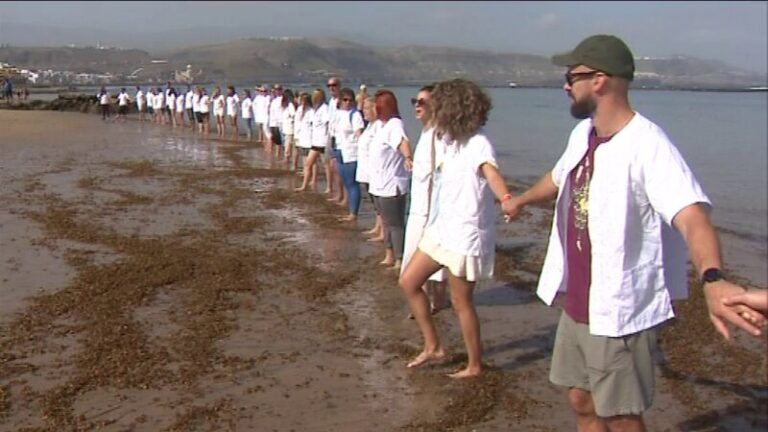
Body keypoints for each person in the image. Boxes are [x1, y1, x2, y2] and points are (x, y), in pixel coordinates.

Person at [505, 35, 766, 431]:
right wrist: (522, 200)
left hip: (619, 307)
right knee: (581, 398)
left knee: (622, 415)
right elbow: (557, 178)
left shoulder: (649, 145)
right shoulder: (583, 134)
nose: (564, 85)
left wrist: (712, 278)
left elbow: (692, 217)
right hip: (578, 300)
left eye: (571, 75)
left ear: (600, 80)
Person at [398, 79, 515, 379]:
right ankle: (434, 345)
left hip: (466, 233)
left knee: (462, 302)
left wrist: (506, 199)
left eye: (440, 106)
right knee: (409, 281)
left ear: (456, 109)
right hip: (442, 228)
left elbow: (492, 174)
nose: (433, 110)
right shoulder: (447, 139)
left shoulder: (479, 143)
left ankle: (474, 365)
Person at [402, 84, 448, 317]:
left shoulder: (439, 135)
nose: (417, 106)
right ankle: (424, 301)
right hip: (418, 207)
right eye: (415, 102)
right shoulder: (425, 133)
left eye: (423, 102)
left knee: (432, 259)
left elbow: (442, 176)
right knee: (414, 256)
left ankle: (435, 302)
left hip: (431, 210)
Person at [368, 89, 413, 270]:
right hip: (378, 184)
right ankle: (389, 254)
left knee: (395, 224)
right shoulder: (381, 125)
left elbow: (403, 142)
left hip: (391, 184)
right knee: (386, 223)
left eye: (376, 106)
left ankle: (400, 259)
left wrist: (408, 158)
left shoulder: (395, 124)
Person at [334, 87, 366, 222]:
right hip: (340, 150)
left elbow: (360, 135)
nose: (347, 102)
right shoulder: (338, 114)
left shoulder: (355, 115)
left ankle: (354, 213)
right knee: (346, 182)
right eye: (345, 100)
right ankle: (349, 208)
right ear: (340, 101)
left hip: (352, 152)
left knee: (352, 184)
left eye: (350, 100)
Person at [355, 97, 385, 241]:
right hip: (366, 171)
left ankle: (383, 232)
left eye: (367, 109)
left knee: (380, 204)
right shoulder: (370, 125)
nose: (364, 111)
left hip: (374, 172)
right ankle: (377, 226)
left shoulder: (379, 126)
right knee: (375, 203)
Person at [295, 89, 329, 192]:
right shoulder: (316, 109)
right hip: (315, 141)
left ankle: (329, 187)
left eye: (316, 95)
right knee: (308, 163)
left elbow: (327, 124)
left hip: (322, 141)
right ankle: (304, 185)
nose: (314, 97)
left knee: (326, 165)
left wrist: (327, 139)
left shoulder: (324, 108)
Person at [325, 76, 345, 204]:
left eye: (334, 85)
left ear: (339, 86)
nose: (332, 88)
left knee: (341, 169)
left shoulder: (344, 100)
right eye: (329, 86)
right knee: (333, 167)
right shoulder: (331, 102)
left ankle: (344, 197)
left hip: (341, 138)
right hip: (331, 136)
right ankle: (339, 194)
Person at [281, 89, 297, 167]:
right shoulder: (286, 105)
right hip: (286, 128)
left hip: (290, 129)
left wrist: (291, 121)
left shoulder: (290, 105)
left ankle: (287, 160)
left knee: (288, 145)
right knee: (288, 144)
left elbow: (294, 116)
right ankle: (288, 160)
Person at [268, 84, 285, 158]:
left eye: (278, 89)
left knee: (280, 141)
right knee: (276, 140)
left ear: (281, 90)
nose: (277, 91)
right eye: (275, 89)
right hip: (273, 122)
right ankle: (276, 155)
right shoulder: (274, 100)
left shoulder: (283, 99)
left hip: (280, 122)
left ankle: (279, 155)